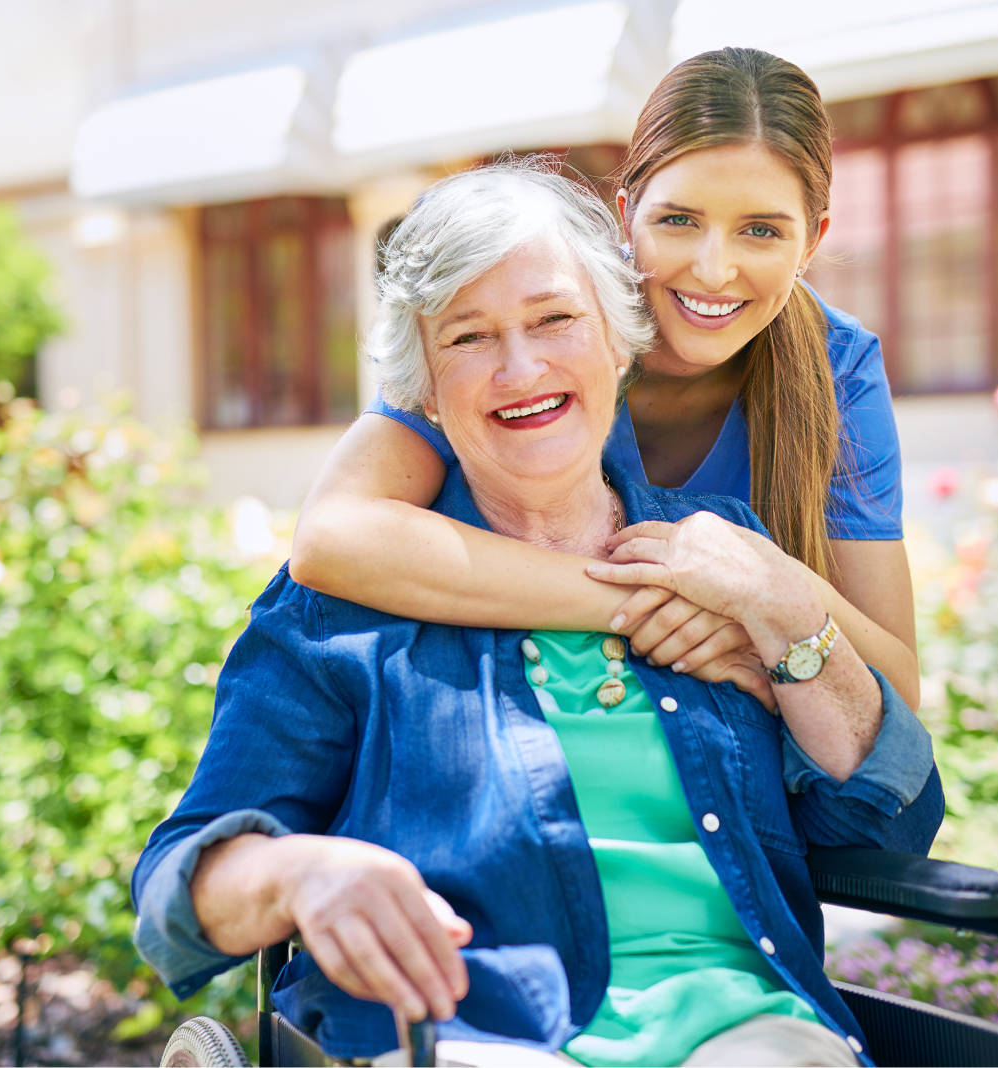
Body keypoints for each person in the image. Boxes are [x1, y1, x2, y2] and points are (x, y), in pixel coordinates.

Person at [132, 164, 942, 1068]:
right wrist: (298, 874)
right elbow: (178, 882)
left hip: (746, 1031)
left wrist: (788, 612)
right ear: (426, 391)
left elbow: (888, 823)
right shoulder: (343, 609)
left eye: (556, 319)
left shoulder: (726, 559)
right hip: (469, 1030)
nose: (522, 369)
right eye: (470, 338)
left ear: (620, 341)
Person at [287, 48, 918, 712]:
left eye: (760, 231)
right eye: (679, 220)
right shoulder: (528, 323)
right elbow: (334, 537)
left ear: (811, 243)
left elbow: (898, 690)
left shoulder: (837, 365)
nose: (712, 269)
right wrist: (655, 603)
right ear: (627, 212)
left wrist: (769, 588)